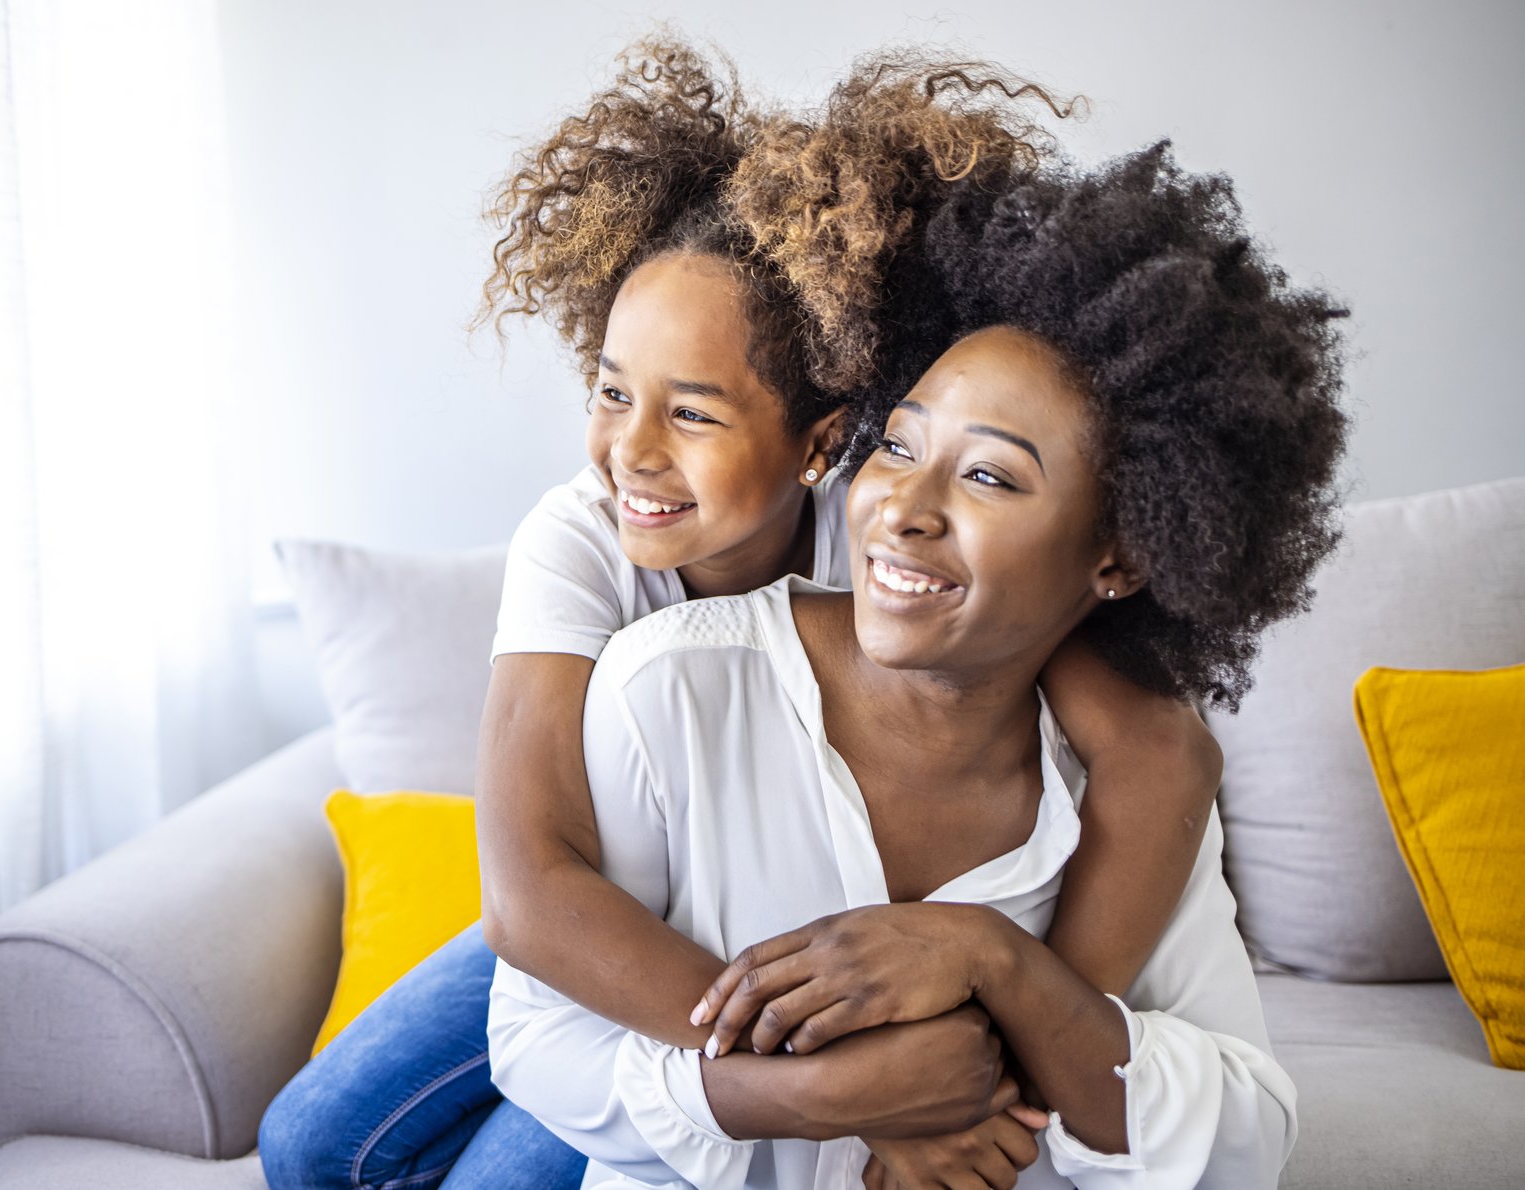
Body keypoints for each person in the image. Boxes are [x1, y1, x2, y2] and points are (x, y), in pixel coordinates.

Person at [259, 42, 1224, 1190]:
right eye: (613, 392)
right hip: (606, 934)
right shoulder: (577, 542)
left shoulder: (889, 543)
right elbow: (537, 898)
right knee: (309, 1141)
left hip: (761, 941)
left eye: (695, 414)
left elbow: (1161, 746)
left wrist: (1002, 1062)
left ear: (823, 441)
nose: (634, 452)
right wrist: (866, 1093)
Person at [489, 140, 1348, 1190]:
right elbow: (531, 921)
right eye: (901, 446)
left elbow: (1247, 1137)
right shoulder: (638, 657)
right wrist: (849, 1085)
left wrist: (999, 963)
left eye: (989, 473)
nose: (903, 505)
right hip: (569, 906)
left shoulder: (1109, 770)